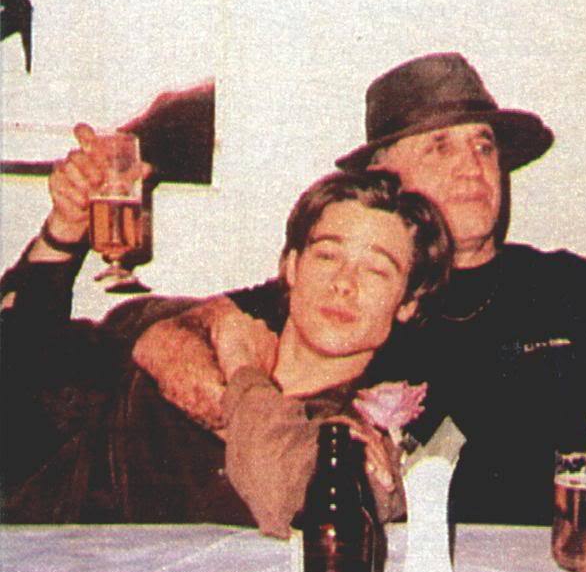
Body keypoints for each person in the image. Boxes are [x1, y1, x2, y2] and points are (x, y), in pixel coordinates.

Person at [135, 52, 586, 526]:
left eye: (484, 146)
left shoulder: (567, 287)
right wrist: (251, 422)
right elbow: (169, 337)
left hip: (573, 558)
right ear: (386, 177)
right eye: (440, 147)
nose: (472, 166)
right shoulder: (353, 293)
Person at [0, 142, 452, 529]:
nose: (344, 284)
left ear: (408, 303)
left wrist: (244, 372)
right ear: (291, 268)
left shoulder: (368, 433)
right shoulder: (174, 335)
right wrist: (63, 233)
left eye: (376, 271)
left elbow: (300, 505)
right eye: (327, 256)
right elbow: (23, 369)